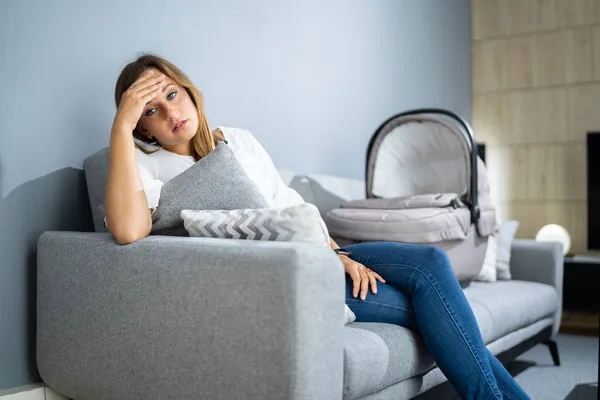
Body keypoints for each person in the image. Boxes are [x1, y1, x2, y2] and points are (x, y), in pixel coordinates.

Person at [105, 54, 530, 400]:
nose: (170, 112)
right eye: (151, 111)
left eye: (172, 95)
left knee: (430, 264)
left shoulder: (237, 139)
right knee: (435, 306)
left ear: (191, 92)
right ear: (144, 128)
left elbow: (288, 205)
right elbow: (127, 231)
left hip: (320, 253)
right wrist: (121, 127)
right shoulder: (142, 165)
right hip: (284, 276)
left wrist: (336, 255)